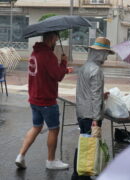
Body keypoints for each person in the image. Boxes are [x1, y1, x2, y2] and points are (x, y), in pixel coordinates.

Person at [15, 31, 72, 170]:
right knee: (54, 129)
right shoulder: (48, 56)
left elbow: (45, 73)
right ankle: (51, 161)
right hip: (46, 100)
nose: (55, 42)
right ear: (52, 39)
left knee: (36, 127)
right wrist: (63, 63)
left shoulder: (35, 54)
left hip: (34, 99)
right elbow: (57, 75)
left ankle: (20, 156)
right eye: (55, 40)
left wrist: (63, 68)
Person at [71, 37, 114, 180]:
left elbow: (88, 91)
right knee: (90, 146)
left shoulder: (84, 67)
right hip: (91, 115)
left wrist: (102, 95)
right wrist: (96, 118)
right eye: (105, 53)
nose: (106, 57)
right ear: (99, 53)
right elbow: (95, 96)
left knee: (84, 142)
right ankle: (83, 175)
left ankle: (77, 173)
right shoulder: (96, 70)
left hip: (82, 112)